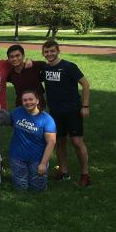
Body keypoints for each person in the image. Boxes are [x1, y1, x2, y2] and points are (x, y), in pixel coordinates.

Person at [40, 40, 91, 186]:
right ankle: (63, 171)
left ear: (58, 51)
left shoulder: (69, 67)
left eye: (52, 51)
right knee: (60, 142)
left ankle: (85, 174)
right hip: (55, 112)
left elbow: (85, 84)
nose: (49, 54)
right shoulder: (44, 68)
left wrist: (85, 106)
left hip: (73, 111)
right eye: (46, 51)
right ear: (43, 53)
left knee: (76, 142)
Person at [9, 90, 57, 192]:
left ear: (38, 101)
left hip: (37, 159)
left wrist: (43, 164)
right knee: (20, 189)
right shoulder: (17, 112)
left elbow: (51, 142)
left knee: (38, 190)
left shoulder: (47, 120)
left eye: (31, 99)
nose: (28, 102)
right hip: (17, 157)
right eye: (25, 100)